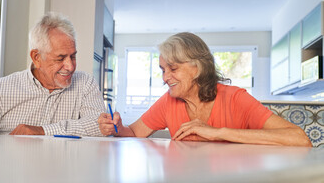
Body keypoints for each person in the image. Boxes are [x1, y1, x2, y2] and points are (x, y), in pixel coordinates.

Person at [98, 32, 312, 147]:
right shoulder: (168, 101)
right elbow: (134, 133)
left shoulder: (236, 99)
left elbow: (299, 138)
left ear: (197, 67)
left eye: (173, 68)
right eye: (163, 70)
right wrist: (116, 128)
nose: (165, 77)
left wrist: (218, 133)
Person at [0, 12, 105, 136]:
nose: (70, 66)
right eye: (60, 58)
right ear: (36, 57)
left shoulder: (85, 84)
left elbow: (101, 126)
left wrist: (41, 131)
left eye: (73, 56)